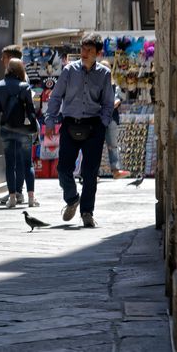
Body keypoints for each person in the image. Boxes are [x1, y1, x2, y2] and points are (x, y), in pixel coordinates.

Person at [44, 34, 115, 228]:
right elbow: (56, 96)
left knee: (90, 172)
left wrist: (103, 123)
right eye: (83, 49)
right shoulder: (69, 71)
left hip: (93, 126)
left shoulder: (104, 74)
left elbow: (108, 102)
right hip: (70, 124)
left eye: (89, 50)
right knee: (63, 168)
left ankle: (87, 212)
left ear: (98, 53)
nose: (84, 53)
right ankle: (72, 198)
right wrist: (50, 120)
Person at [0, 58, 40, 208]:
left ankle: (12, 198)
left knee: (10, 164)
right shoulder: (25, 87)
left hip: (6, 129)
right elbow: (31, 110)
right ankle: (31, 198)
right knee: (27, 164)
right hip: (23, 130)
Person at [100, 59, 131, 179]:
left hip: (111, 117)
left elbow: (118, 99)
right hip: (98, 117)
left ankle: (116, 170)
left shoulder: (114, 85)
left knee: (112, 144)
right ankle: (92, 172)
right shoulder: (96, 85)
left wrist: (114, 103)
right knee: (95, 145)